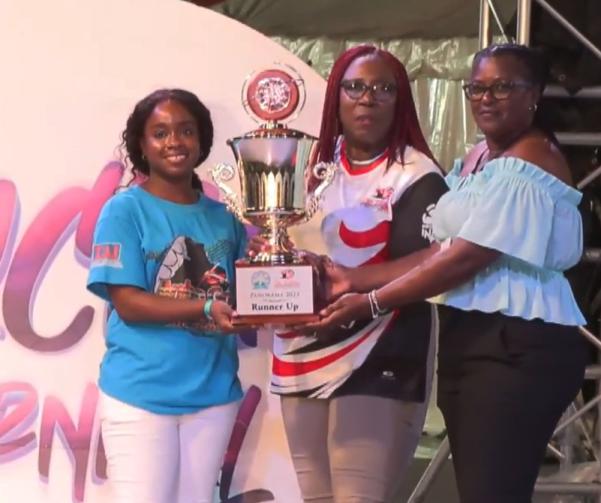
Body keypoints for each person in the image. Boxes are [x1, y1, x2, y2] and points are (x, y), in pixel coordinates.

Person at [311, 43, 588, 503]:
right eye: (477, 88)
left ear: (534, 94)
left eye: (503, 87)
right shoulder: (478, 158)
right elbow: (441, 251)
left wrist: (372, 302)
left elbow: (464, 258)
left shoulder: (532, 160)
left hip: (519, 343)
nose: (487, 98)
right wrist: (352, 279)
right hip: (472, 338)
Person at [251, 45, 448, 502]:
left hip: (379, 352)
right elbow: (283, 248)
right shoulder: (311, 168)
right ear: (335, 96)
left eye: (384, 89)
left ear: (401, 102)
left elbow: (435, 261)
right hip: (301, 350)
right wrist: (269, 256)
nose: (368, 98)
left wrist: (353, 283)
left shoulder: (416, 174)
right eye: (355, 87)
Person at [87, 89, 247, 503]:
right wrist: (206, 306)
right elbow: (129, 303)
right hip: (140, 394)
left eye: (186, 131)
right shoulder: (124, 211)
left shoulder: (226, 217)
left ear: (202, 139)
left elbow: (251, 290)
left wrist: (299, 277)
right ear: (141, 145)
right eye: (160, 133)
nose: (175, 142)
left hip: (213, 395)